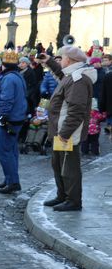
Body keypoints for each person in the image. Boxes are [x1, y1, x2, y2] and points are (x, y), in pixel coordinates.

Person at [38, 47, 95, 211]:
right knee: (58, 164)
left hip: (67, 132)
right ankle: (62, 195)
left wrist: (65, 133)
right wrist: (48, 62)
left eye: (61, 58)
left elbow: (77, 110)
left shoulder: (78, 79)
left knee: (69, 167)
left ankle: (73, 200)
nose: (60, 61)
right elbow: (62, 76)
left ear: (69, 60)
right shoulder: (71, 76)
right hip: (61, 130)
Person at [0, 51, 27, 194]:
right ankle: (10, 179)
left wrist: (2, 115)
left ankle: (12, 182)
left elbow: (7, 99)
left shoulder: (8, 79)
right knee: (11, 151)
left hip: (9, 119)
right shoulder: (18, 77)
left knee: (4, 151)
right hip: (16, 118)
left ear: (4, 66)